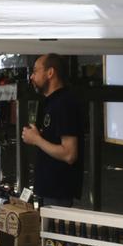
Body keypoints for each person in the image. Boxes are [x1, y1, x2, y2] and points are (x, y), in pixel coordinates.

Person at [21, 54, 84, 207]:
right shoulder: (51, 102)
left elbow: (69, 153)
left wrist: (36, 139)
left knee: (53, 230)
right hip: (48, 189)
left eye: (36, 71)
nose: (32, 76)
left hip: (58, 191)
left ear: (50, 73)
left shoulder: (64, 103)